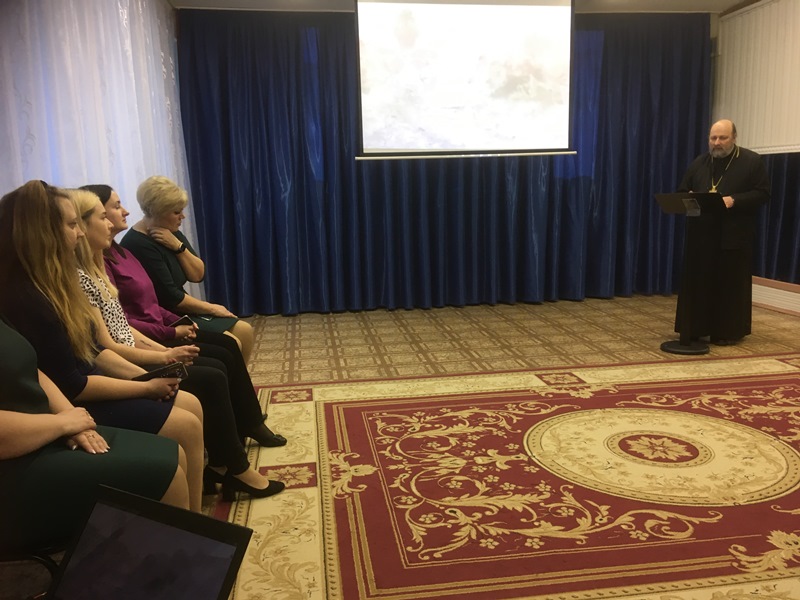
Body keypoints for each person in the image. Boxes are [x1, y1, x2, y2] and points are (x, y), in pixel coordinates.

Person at [0, 181, 204, 511]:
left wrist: (147, 375)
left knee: (190, 406)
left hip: (71, 399)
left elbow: (92, 351)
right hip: (67, 404)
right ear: (43, 233)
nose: (80, 233)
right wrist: (144, 386)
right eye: (72, 224)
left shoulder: (56, 283)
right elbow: (74, 384)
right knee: (177, 443)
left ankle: (196, 522)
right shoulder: (28, 298)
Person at [70, 188, 284, 500]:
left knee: (226, 350)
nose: (124, 212)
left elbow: (194, 276)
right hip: (141, 346)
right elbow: (115, 337)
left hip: (153, 335)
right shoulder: (100, 265)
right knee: (213, 371)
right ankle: (233, 464)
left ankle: (238, 437)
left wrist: (179, 247)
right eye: (109, 211)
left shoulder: (114, 257)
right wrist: (167, 345)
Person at [0, 318, 190, 552]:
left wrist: (72, 417)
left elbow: (32, 370)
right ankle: (171, 567)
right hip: (14, 468)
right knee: (168, 473)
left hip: (44, 430)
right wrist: (61, 423)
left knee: (175, 453)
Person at [119, 176, 255, 362]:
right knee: (232, 342)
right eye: (176, 212)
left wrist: (178, 247)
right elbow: (172, 298)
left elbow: (198, 274)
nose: (182, 216)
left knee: (245, 331)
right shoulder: (137, 244)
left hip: (182, 306)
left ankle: (239, 380)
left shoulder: (170, 232)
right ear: (158, 211)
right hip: (165, 314)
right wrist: (212, 309)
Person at [675, 119, 770, 345]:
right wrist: (688, 197)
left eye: (722, 138)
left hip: (733, 236)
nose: (717, 143)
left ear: (734, 138)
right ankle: (695, 328)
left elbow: (763, 194)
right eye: (713, 138)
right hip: (701, 237)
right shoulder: (700, 162)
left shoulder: (751, 161)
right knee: (699, 284)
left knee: (728, 286)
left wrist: (733, 200)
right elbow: (682, 190)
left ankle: (726, 332)